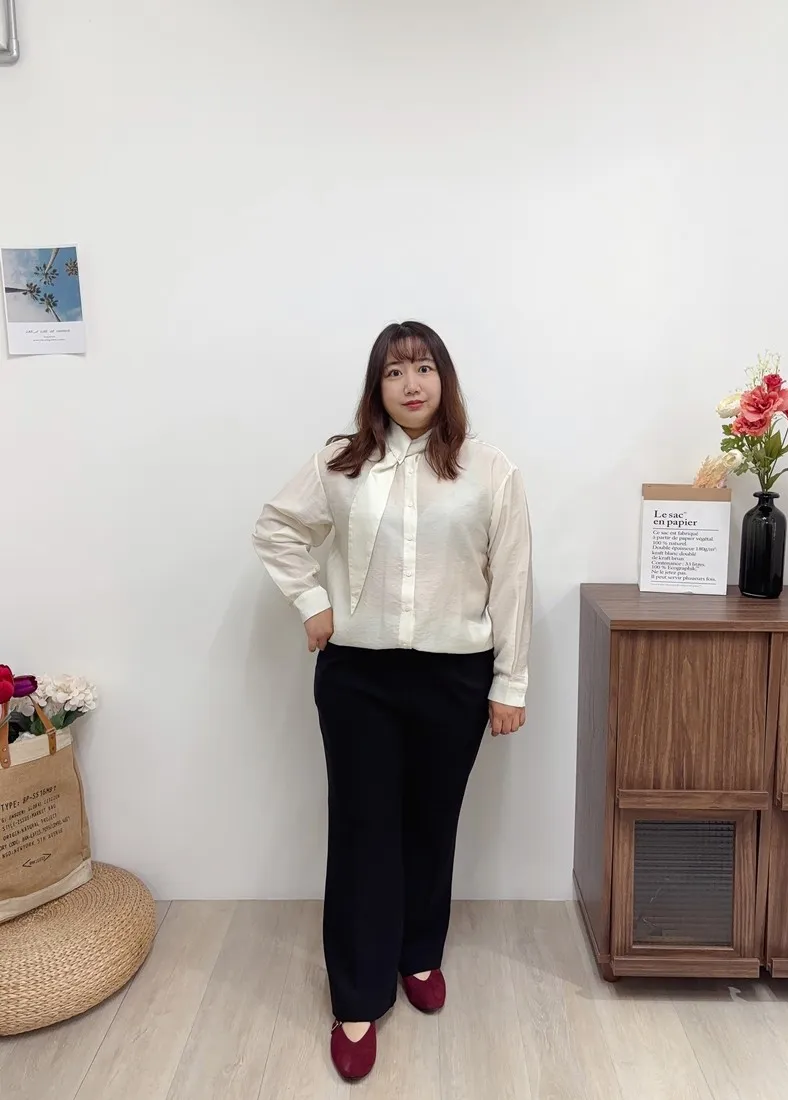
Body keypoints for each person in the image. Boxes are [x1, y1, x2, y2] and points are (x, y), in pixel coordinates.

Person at [253, 321, 532, 1081]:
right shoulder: (341, 463)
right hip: (359, 679)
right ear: (376, 387)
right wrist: (312, 601)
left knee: (432, 823)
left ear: (445, 378)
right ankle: (357, 994)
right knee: (363, 831)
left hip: (454, 677)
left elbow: (511, 579)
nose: (412, 383)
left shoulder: (489, 469)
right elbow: (276, 528)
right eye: (394, 371)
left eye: (424, 367)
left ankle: (418, 954)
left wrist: (510, 683)